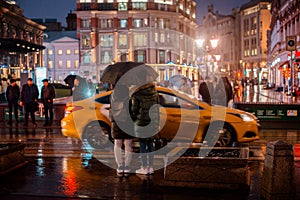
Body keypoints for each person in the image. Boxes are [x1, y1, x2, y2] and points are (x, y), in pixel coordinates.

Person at [131, 80, 160, 175]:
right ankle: (150, 167)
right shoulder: (155, 93)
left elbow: (134, 110)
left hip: (141, 123)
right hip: (152, 122)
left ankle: (144, 167)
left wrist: (135, 119)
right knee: (150, 144)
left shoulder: (137, 94)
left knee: (143, 145)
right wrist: (157, 122)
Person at [109, 84, 134, 175]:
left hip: (117, 123)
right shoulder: (128, 98)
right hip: (128, 123)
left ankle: (120, 166)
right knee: (128, 144)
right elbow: (132, 111)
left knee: (117, 144)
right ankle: (126, 166)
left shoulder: (113, 96)